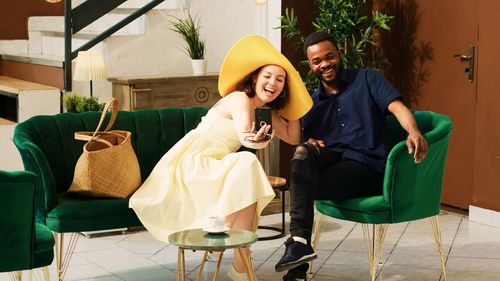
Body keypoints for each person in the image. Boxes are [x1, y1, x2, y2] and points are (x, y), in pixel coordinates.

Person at [129, 35, 312, 281]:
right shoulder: (240, 99)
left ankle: (240, 262)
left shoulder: (265, 112)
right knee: (246, 163)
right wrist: (260, 140)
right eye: (268, 76)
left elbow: (293, 136)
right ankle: (239, 262)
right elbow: (245, 136)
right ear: (255, 77)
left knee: (245, 172)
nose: (273, 83)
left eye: (280, 80)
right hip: (193, 163)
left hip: (217, 165)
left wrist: (294, 107)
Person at [275, 31, 428, 281]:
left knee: (302, 184)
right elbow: (300, 138)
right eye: (317, 61)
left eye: (329, 57)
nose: (324, 64)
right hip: (335, 165)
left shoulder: (367, 79)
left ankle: (298, 263)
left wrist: (413, 131)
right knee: (302, 154)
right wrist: (307, 141)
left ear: (339, 54)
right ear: (311, 65)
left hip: (367, 169)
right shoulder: (311, 103)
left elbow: (399, 108)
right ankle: (300, 244)